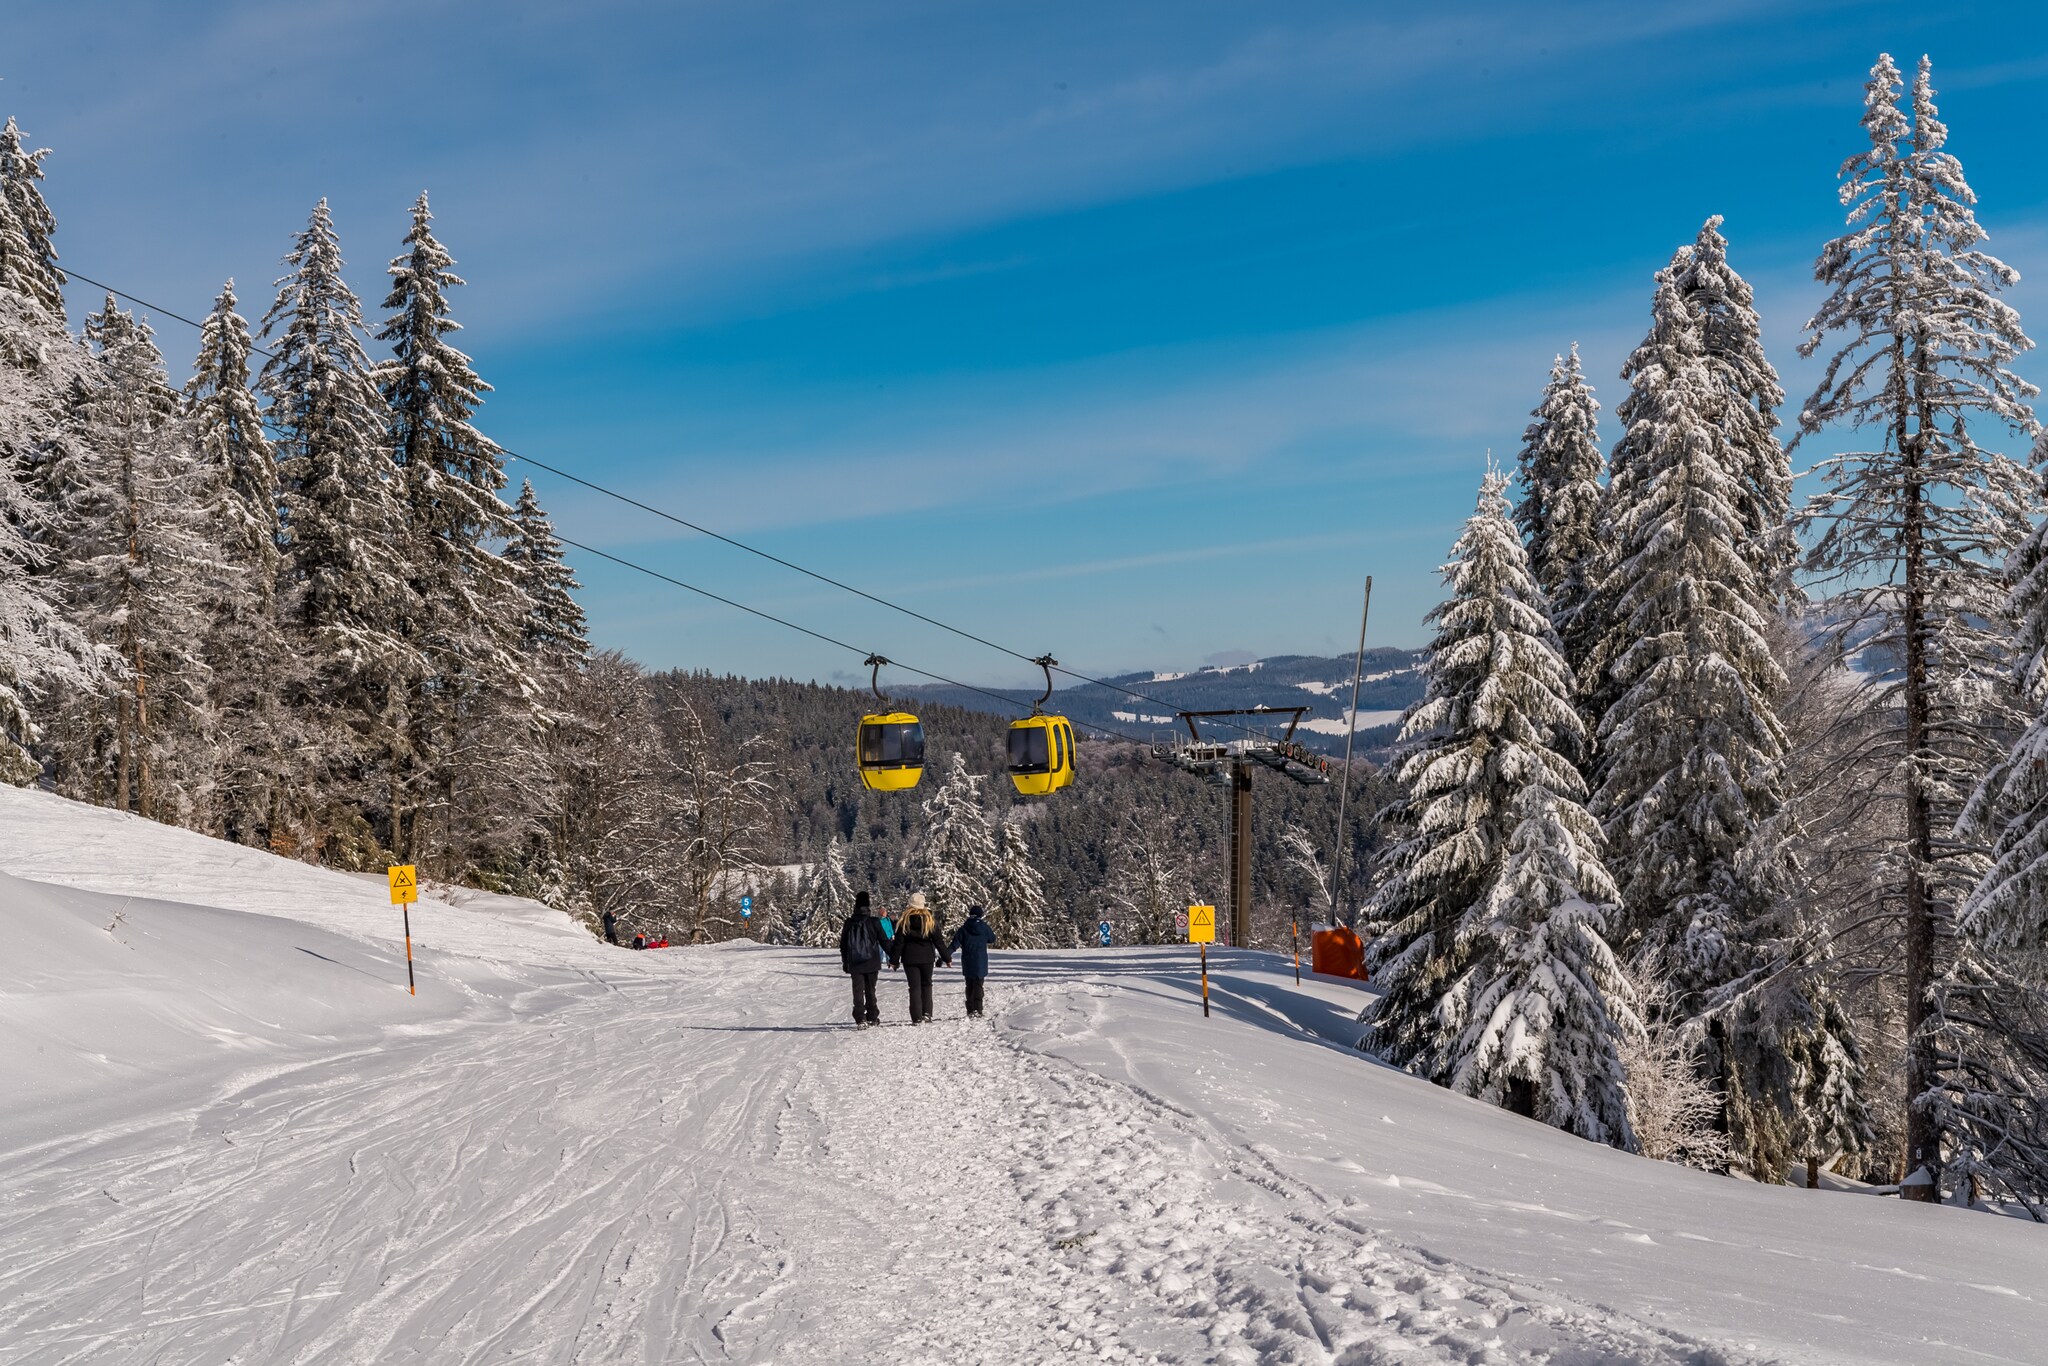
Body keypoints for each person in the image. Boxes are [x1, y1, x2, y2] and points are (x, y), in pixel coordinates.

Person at [887, 891, 949, 1024]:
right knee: (926, 985)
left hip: (909, 958)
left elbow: (899, 944)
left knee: (914, 987)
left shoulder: (904, 922)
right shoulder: (929, 921)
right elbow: (939, 941)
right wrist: (946, 957)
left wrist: (894, 960)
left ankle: (916, 1017)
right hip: (927, 957)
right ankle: (927, 1013)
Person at [838, 891, 886, 1028]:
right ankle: (872, 1016)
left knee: (858, 990)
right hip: (872, 961)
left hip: (855, 962)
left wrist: (845, 962)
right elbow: (884, 941)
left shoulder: (849, 922)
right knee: (871, 989)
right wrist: (894, 957)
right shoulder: (874, 922)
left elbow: (843, 945)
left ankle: (860, 1018)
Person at [949, 904, 996, 1018]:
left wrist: (945, 956)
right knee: (979, 984)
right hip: (980, 961)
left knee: (969, 985)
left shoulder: (964, 928)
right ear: (981, 915)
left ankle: (970, 1009)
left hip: (967, 960)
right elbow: (992, 939)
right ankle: (978, 1009)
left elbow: (954, 944)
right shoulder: (984, 927)